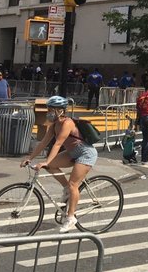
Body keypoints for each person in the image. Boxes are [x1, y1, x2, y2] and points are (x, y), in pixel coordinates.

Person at [19, 95, 98, 233]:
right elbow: (43, 143)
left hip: (85, 153)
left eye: (51, 109)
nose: (48, 112)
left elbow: (58, 144)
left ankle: (71, 217)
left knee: (74, 184)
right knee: (52, 167)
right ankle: (67, 189)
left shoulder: (67, 123)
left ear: (61, 110)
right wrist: (30, 157)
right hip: (72, 152)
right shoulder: (54, 125)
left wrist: (45, 161)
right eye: (48, 109)